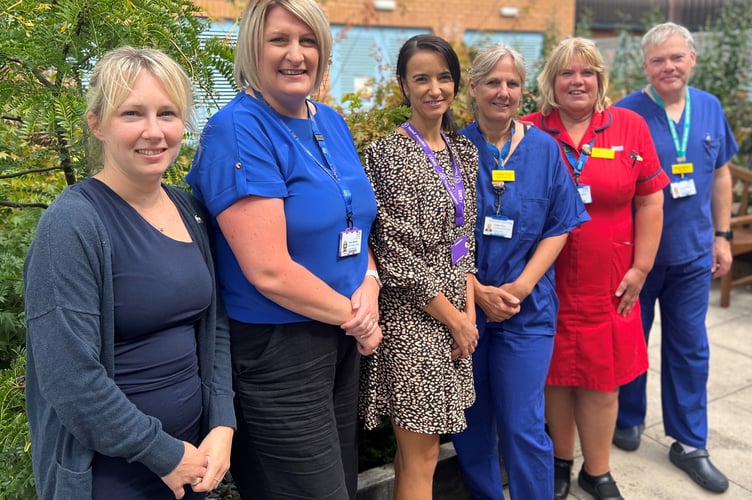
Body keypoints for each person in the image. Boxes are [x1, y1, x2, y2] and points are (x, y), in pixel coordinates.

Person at [186, 0, 382, 498]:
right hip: (279, 349)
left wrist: (371, 283)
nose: (296, 54)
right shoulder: (238, 130)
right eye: (280, 40)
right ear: (253, 47)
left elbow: (354, 219)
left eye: (308, 41)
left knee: (340, 482)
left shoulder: (332, 122)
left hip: (339, 338)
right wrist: (354, 316)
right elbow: (269, 270)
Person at [23, 46, 236, 500]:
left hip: (192, 464)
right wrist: (162, 453)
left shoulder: (190, 209)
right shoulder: (73, 225)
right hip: (112, 476)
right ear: (97, 123)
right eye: (133, 114)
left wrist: (222, 422)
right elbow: (70, 380)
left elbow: (213, 325)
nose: (154, 132)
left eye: (168, 113)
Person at [523, 37, 669, 500]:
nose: (577, 81)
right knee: (556, 378)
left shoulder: (629, 126)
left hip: (611, 283)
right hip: (546, 283)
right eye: (566, 73)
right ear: (551, 81)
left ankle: (598, 471)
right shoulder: (529, 130)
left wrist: (642, 267)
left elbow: (650, 200)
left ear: (600, 80)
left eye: (586, 72)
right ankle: (561, 464)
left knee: (602, 383)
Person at [449, 44, 589, 500]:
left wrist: (522, 286)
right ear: (472, 88)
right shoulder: (452, 150)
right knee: (471, 425)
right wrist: (478, 290)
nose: (502, 92)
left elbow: (559, 225)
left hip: (527, 313)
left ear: (523, 92)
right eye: (492, 82)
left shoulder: (545, 151)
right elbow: (438, 235)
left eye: (511, 84)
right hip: (465, 312)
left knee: (524, 426)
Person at [613, 22, 737, 494]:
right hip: (636, 260)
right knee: (630, 344)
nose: (669, 67)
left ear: (692, 60)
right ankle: (626, 418)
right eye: (659, 60)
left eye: (677, 58)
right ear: (645, 66)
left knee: (690, 350)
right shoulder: (626, 114)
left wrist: (721, 236)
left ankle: (689, 442)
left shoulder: (709, 107)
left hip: (691, 258)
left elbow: (721, 175)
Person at [359, 34, 479, 500]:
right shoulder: (387, 156)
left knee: (421, 453)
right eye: (421, 78)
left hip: (454, 317)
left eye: (444, 77)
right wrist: (454, 320)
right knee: (421, 454)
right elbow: (394, 256)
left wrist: (467, 318)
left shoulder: (461, 151)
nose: (435, 88)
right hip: (414, 320)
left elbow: (464, 243)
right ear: (403, 86)